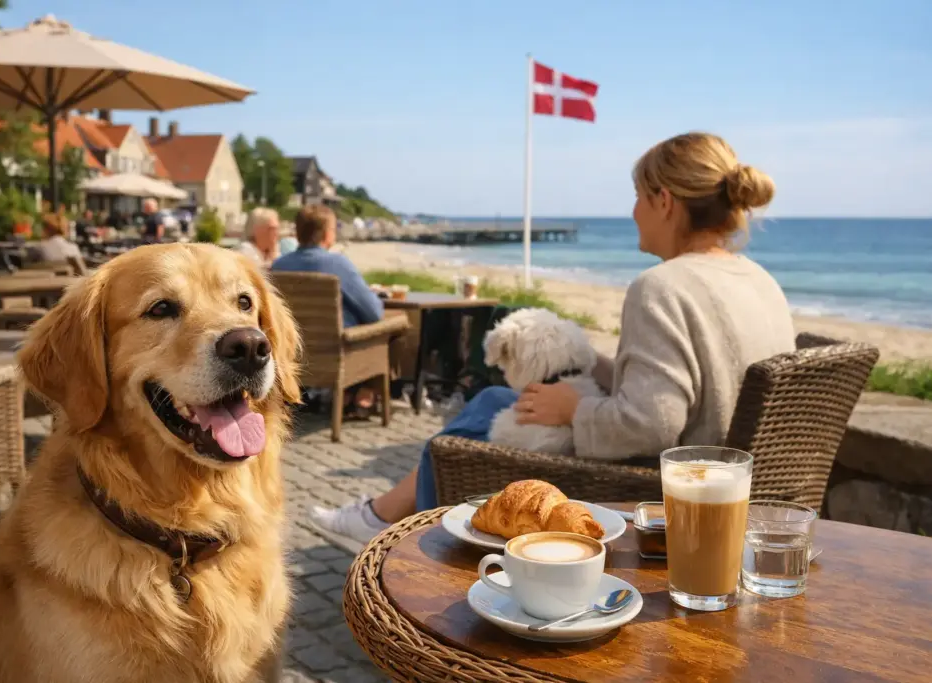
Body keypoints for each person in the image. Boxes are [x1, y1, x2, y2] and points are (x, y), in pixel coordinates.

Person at [312, 131, 797, 546]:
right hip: (732, 488)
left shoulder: (662, 287)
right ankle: (384, 513)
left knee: (473, 426)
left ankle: (407, 534)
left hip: (662, 496)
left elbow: (652, 425)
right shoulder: (761, 281)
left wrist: (572, 408)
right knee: (495, 399)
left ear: (664, 202)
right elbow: (695, 384)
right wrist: (587, 360)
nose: (633, 212)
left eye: (637, 197)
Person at [272, 205, 385, 411]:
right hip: (336, 354)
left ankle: (348, 396)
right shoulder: (337, 264)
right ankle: (362, 394)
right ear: (327, 233)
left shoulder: (278, 266)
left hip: (294, 354)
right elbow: (374, 313)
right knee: (389, 329)